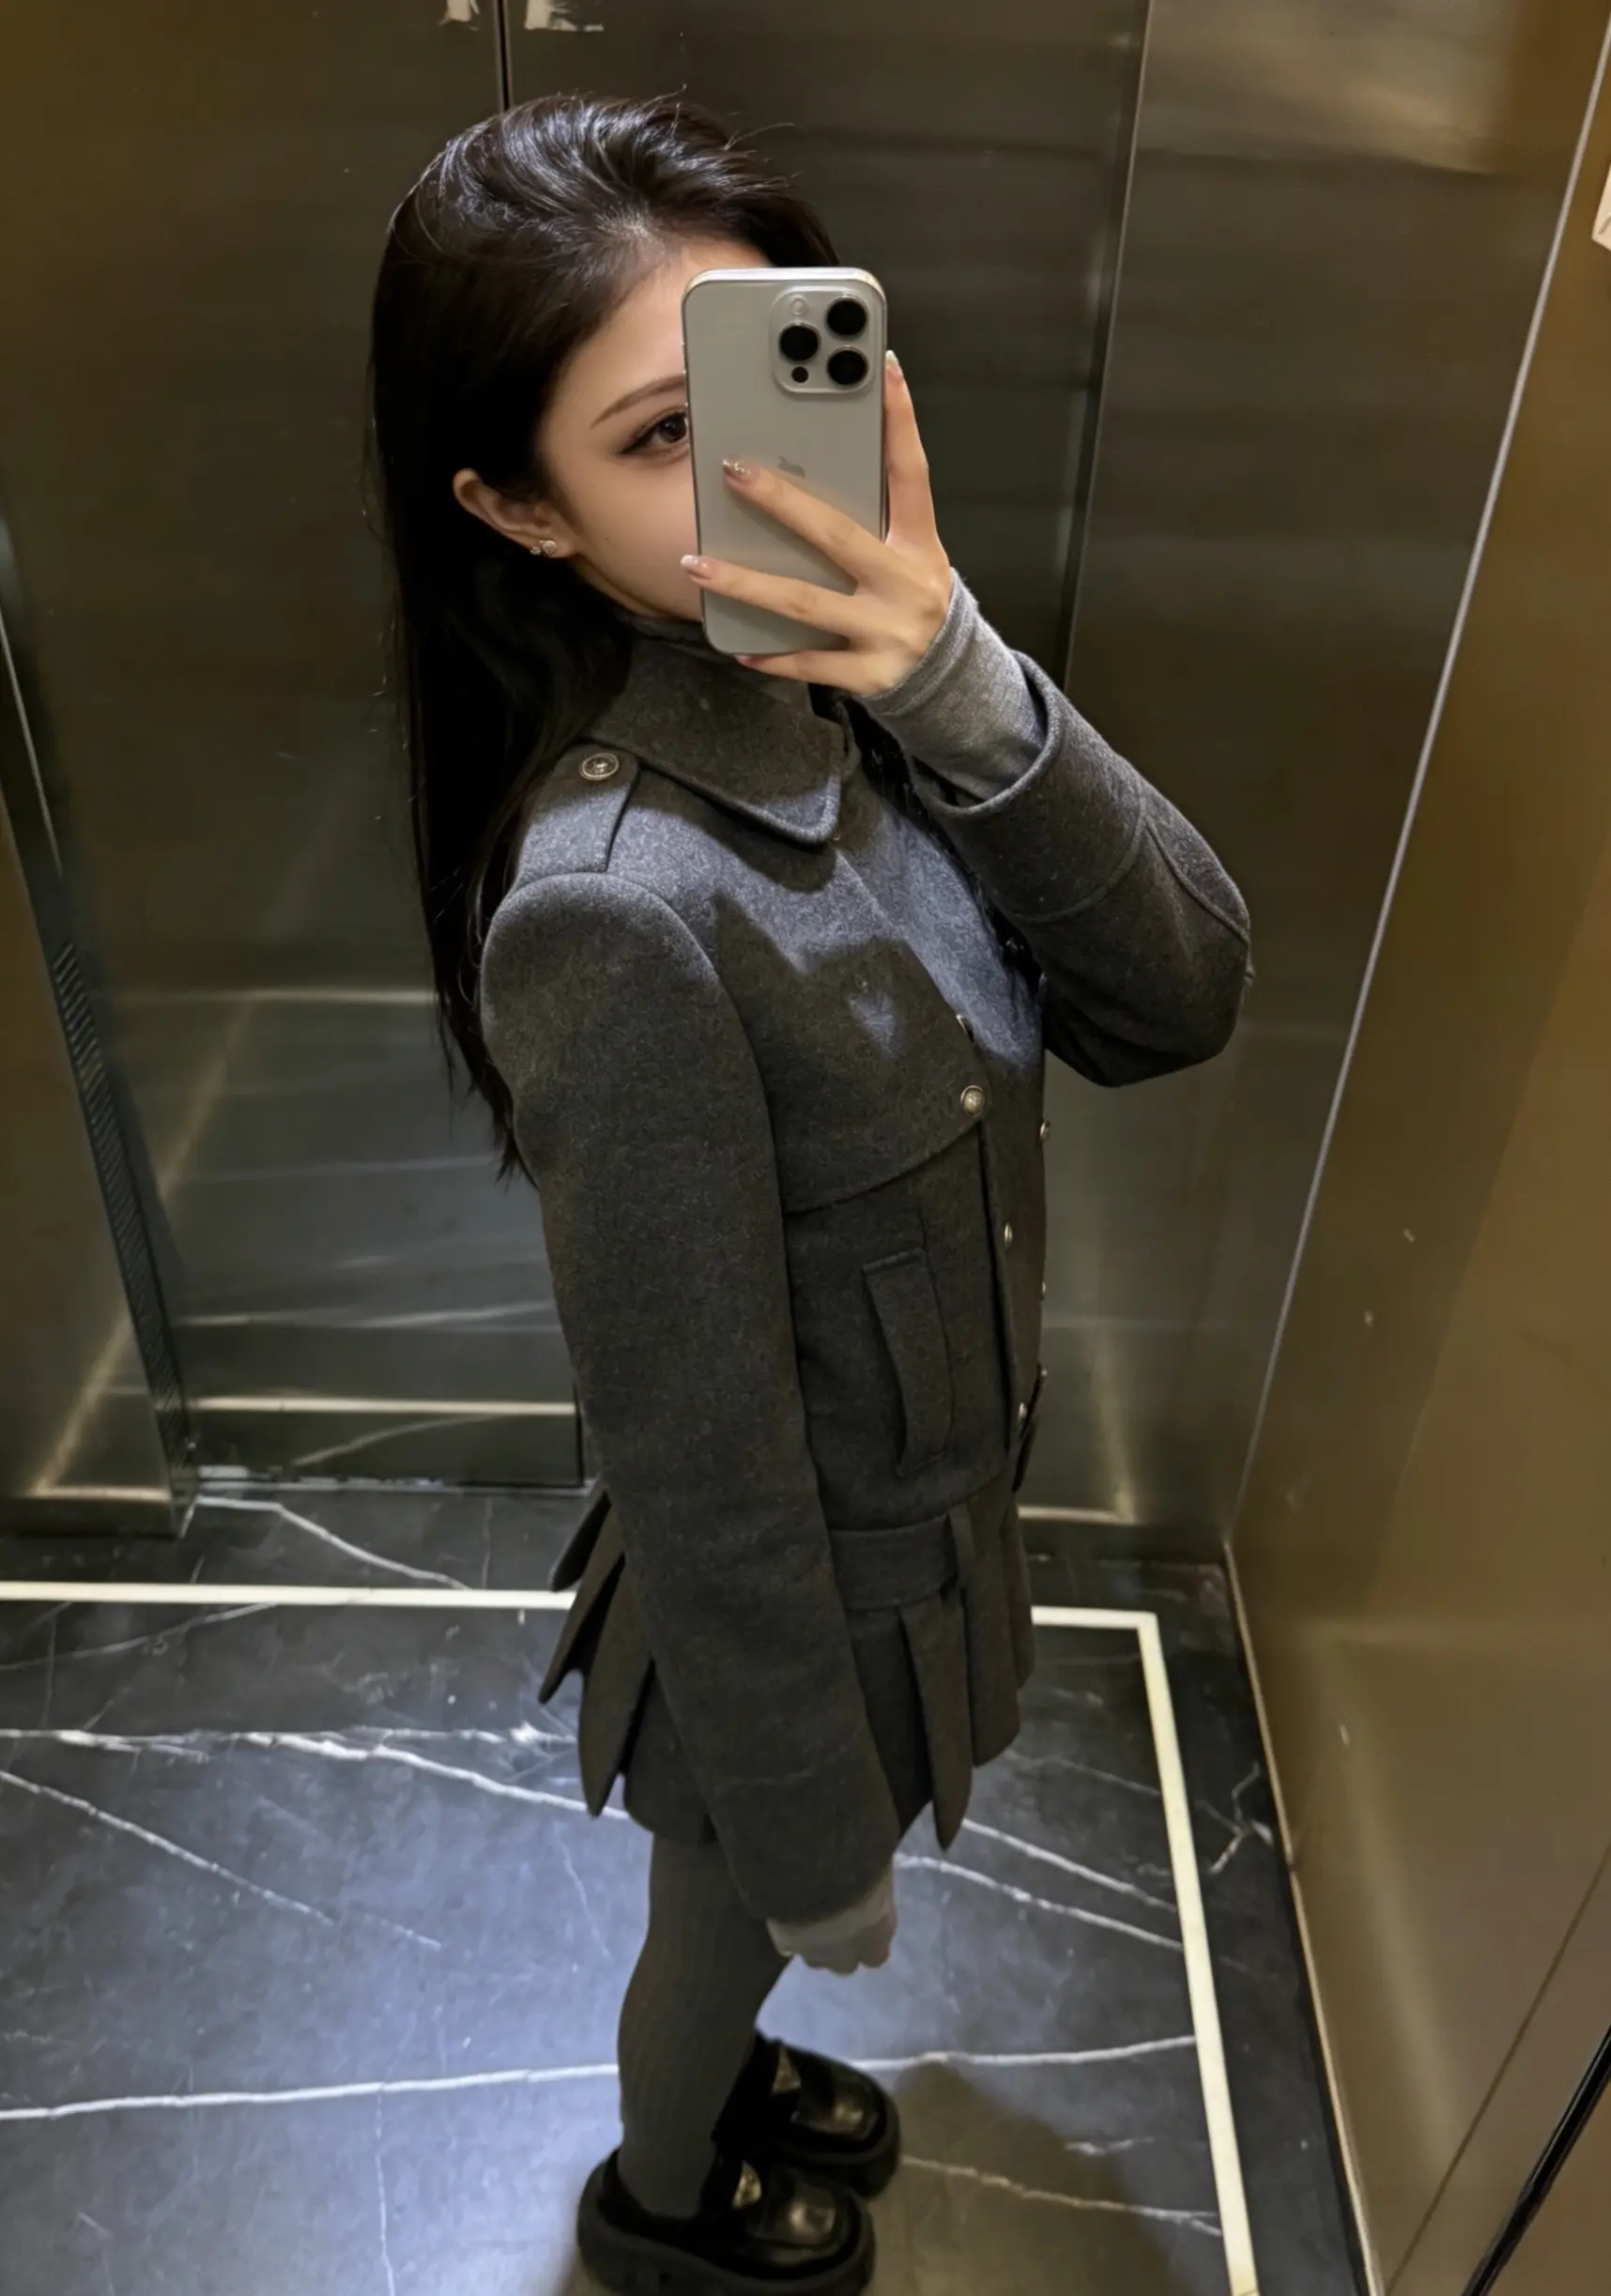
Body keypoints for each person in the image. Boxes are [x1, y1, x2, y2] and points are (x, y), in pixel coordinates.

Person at [368, 91, 1250, 2296]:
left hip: (917, 1538)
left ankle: (723, 2069)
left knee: (742, 1936)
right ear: (517, 508)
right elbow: (702, 1451)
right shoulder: (617, 906)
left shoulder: (874, 718)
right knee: (725, 1931)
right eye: (665, 438)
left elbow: (1180, 992)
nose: (764, 484)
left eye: (774, 388)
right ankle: (662, 2203)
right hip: (787, 1615)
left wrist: (960, 677)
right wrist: (807, 1818)